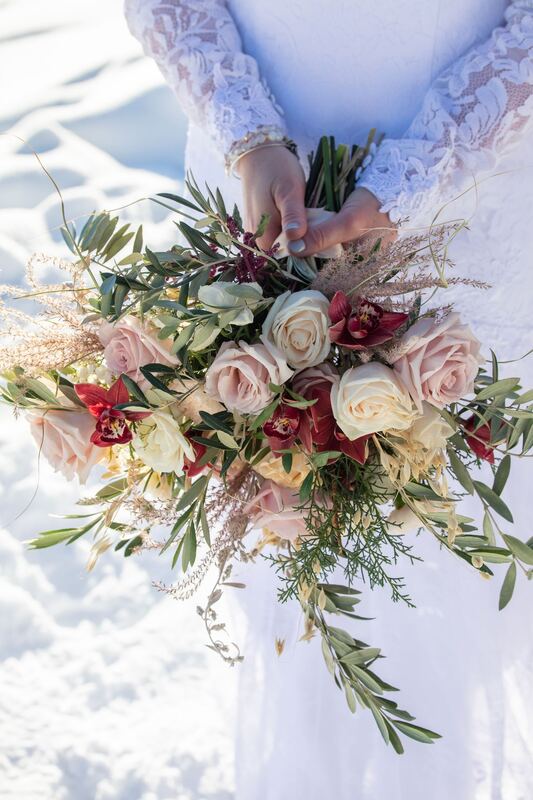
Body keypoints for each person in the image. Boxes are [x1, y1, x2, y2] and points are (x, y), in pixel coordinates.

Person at [124, 2, 533, 798]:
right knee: (295, 555)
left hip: (478, 186)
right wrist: (246, 132)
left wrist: (423, 166)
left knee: (460, 548)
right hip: (259, 188)